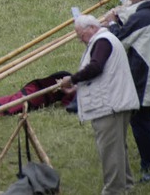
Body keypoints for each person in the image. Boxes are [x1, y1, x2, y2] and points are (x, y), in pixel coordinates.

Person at [59, 15, 139, 195]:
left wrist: (72, 79)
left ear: (92, 28)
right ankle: (126, 186)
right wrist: (77, 87)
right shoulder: (105, 40)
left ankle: (113, 190)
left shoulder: (102, 41)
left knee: (110, 151)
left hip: (109, 106)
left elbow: (96, 68)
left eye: (81, 36)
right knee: (118, 149)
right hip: (116, 103)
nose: (81, 40)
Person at [105, 0, 150, 174]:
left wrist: (111, 24)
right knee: (148, 119)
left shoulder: (142, 17)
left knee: (140, 121)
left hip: (144, 75)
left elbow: (119, 41)